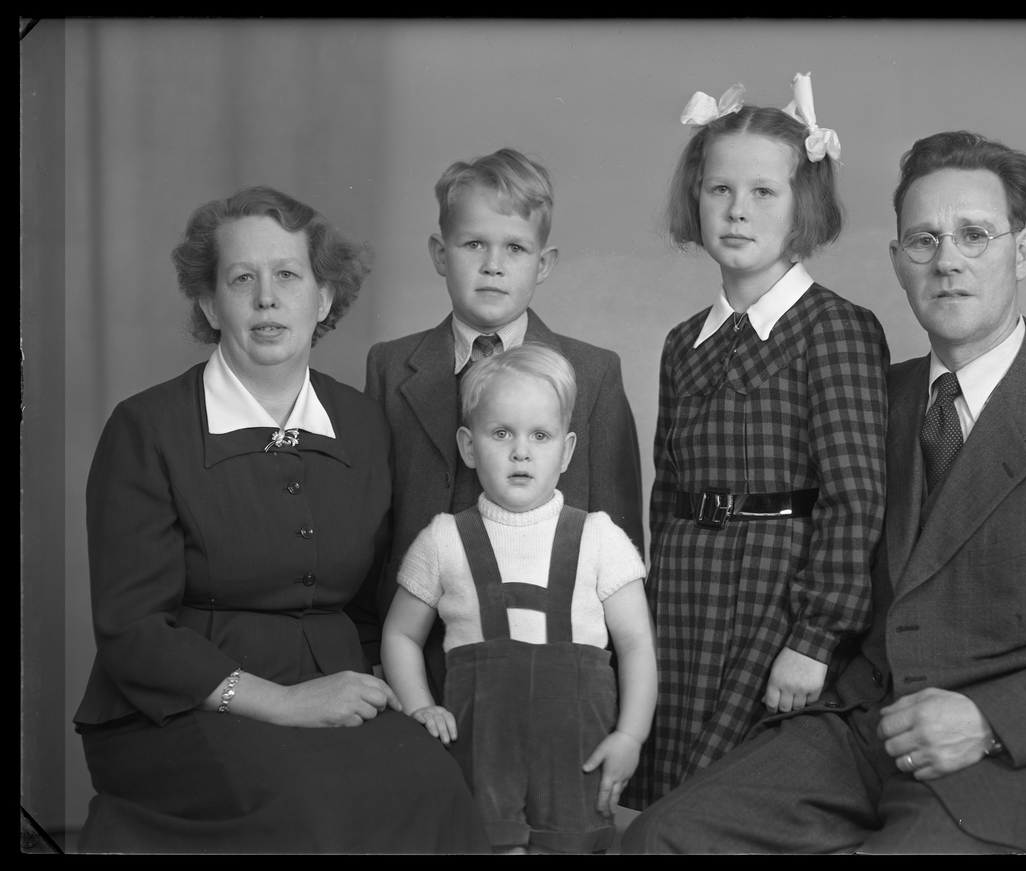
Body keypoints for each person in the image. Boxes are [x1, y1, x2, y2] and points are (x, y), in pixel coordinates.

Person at [624, 131, 1026, 853]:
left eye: (974, 235)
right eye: (924, 240)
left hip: (1011, 762)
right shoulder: (876, 395)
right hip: (862, 729)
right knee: (663, 836)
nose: (947, 261)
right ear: (897, 261)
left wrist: (987, 719)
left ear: (1023, 251)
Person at [73, 186, 490, 853]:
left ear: (323, 298)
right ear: (210, 304)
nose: (267, 299)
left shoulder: (361, 424)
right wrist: (287, 703)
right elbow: (132, 630)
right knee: (308, 809)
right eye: (242, 279)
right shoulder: (146, 428)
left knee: (438, 789)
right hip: (177, 707)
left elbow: (369, 603)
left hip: (335, 686)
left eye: (288, 275)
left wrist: (363, 690)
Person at [627, 74, 888, 808]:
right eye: (720, 190)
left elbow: (855, 499)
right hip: (685, 596)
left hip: (775, 596)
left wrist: (815, 638)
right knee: (665, 800)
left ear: (804, 205)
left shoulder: (836, 328)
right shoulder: (683, 342)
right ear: (696, 198)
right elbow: (665, 495)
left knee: (729, 800)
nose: (737, 210)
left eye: (764, 193)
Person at [365, 147, 644, 701]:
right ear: (440, 254)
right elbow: (371, 529)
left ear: (543, 264)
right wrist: (375, 650)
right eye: (474, 244)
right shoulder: (391, 367)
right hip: (416, 662)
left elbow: (621, 536)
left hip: (551, 666)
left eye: (515, 248)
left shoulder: (593, 373)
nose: (493, 265)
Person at [381, 344, 656, 853]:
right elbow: (399, 633)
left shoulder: (601, 538)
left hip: (577, 758)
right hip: (480, 757)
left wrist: (630, 736)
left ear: (567, 452)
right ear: (468, 446)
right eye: (501, 433)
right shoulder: (443, 539)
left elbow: (637, 644)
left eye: (540, 435)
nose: (521, 452)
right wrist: (420, 707)